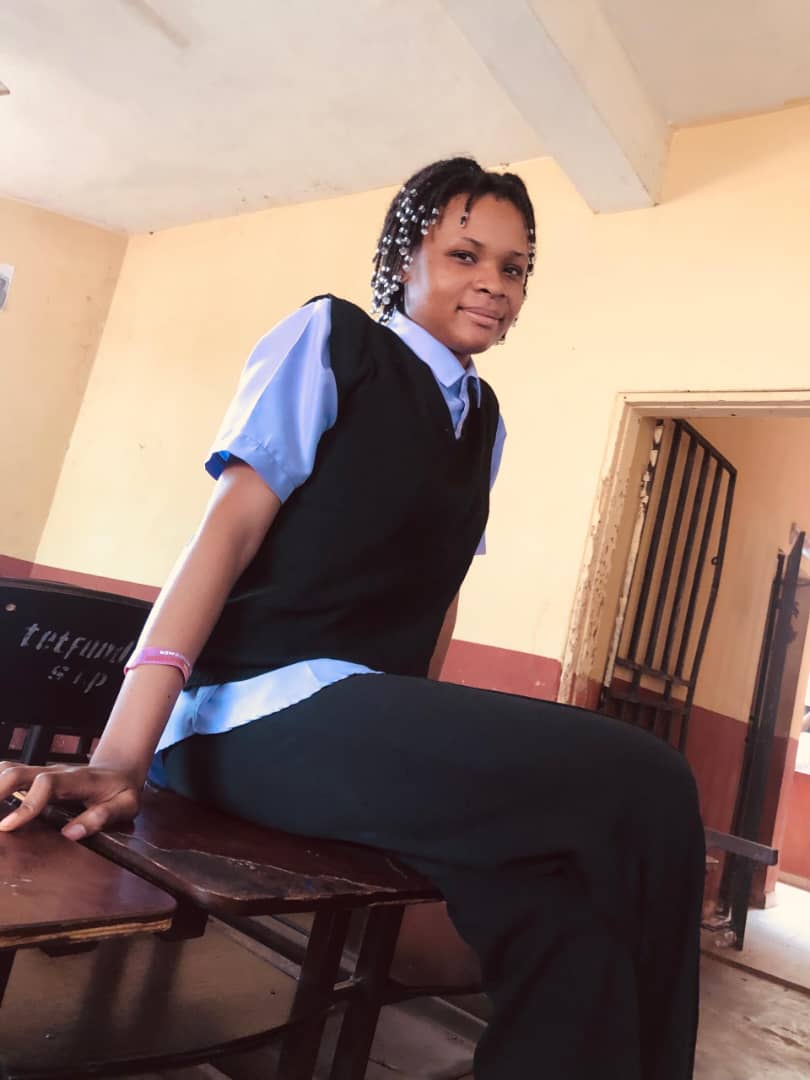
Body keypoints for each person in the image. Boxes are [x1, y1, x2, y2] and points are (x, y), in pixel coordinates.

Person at [0, 157, 704, 1079]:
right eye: (465, 255)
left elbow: (437, 599)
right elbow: (225, 534)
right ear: (404, 259)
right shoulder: (332, 341)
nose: (495, 284)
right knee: (648, 780)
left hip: (353, 725)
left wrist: (423, 760)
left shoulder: (483, 421)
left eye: (516, 267)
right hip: (247, 710)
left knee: (571, 929)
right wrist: (124, 753)